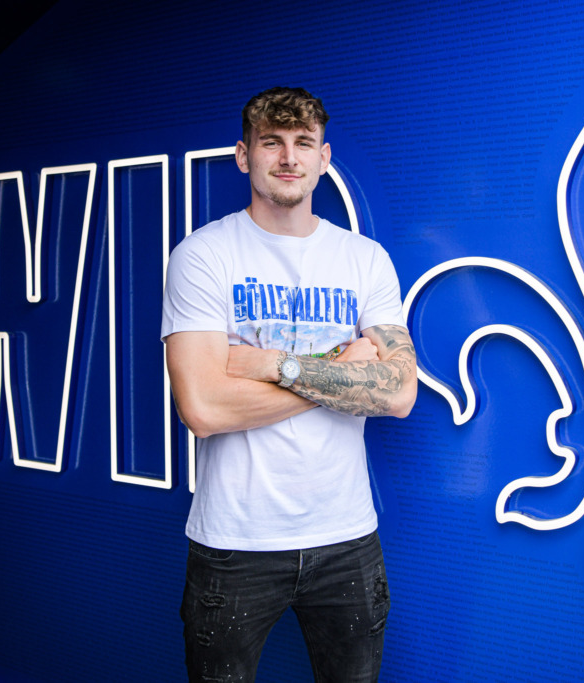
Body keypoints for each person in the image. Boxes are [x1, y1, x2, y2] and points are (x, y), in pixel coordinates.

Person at [161, 86, 417, 682]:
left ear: (323, 159)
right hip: (235, 541)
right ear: (243, 155)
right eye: (271, 142)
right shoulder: (203, 256)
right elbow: (202, 408)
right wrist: (341, 365)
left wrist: (274, 364)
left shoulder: (364, 259)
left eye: (303, 143)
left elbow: (399, 393)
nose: (287, 157)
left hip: (347, 538)